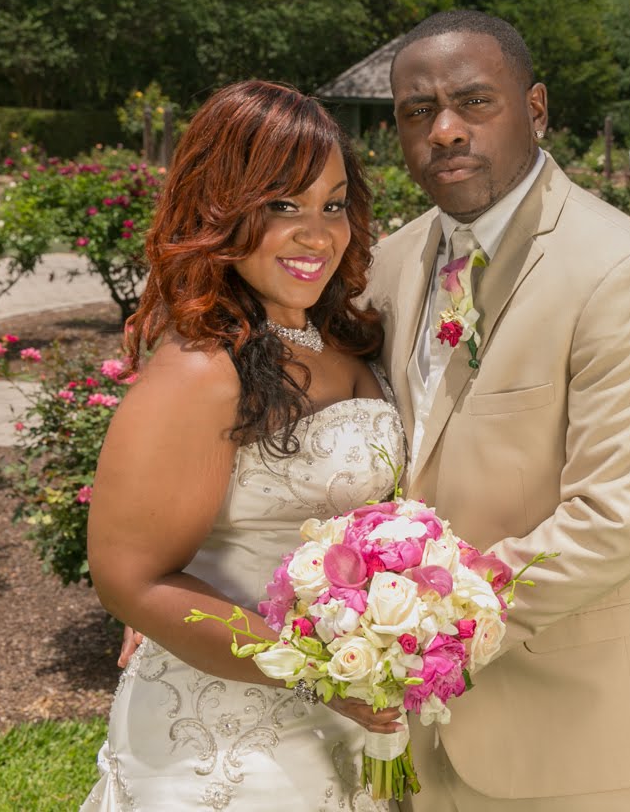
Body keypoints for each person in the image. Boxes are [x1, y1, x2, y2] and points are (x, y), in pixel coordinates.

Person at [364, 10, 630, 811]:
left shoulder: (623, 273)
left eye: (474, 103)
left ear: (537, 108)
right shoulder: (384, 264)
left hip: (570, 727)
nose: (444, 130)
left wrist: (422, 627)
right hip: (398, 730)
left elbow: (617, 517)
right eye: (419, 112)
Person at [81, 80, 406, 811]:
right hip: (223, 742)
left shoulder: (348, 339)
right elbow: (133, 581)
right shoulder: (200, 372)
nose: (318, 234)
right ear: (219, 209)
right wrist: (317, 670)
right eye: (282, 206)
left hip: (348, 717)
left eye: (332, 204)